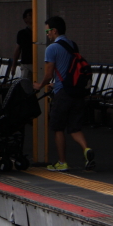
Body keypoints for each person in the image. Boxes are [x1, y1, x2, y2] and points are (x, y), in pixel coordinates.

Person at [32, 16, 96, 171]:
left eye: (48, 30)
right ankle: (86, 149)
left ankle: (62, 162)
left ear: (54, 30)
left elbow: (48, 74)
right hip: (76, 92)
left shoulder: (51, 48)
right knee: (75, 128)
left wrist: (40, 85)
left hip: (62, 93)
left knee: (58, 127)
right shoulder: (72, 45)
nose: (47, 34)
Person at [11, 8, 33, 79]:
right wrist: (14, 65)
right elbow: (18, 50)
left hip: (39, 62)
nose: (32, 16)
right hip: (26, 63)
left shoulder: (41, 32)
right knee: (26, 84)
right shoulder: (22, 33)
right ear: (25, 19)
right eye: (30, 15)